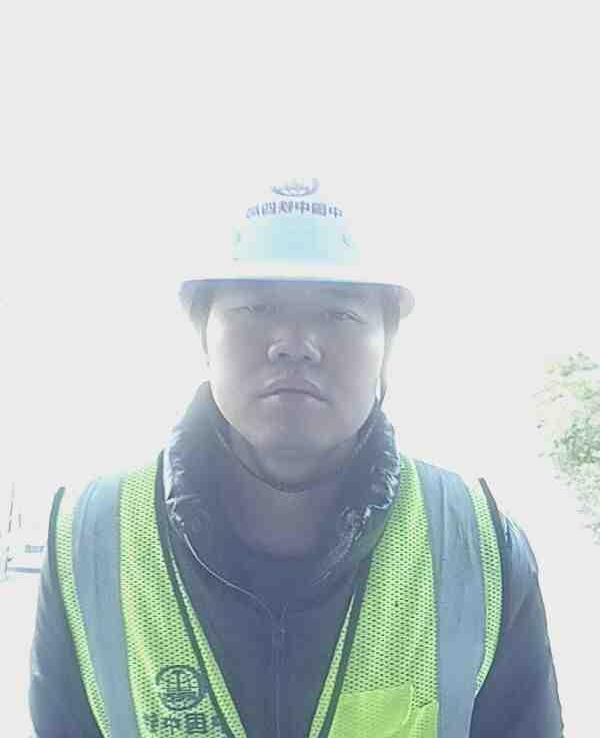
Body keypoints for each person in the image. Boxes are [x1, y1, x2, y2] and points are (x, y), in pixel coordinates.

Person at [29, 177, 565, 737]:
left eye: (338, 314)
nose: (293, 343)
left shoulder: (476, 547)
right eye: (256, 306)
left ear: (388, 345)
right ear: (202, 335)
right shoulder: (92, 541)